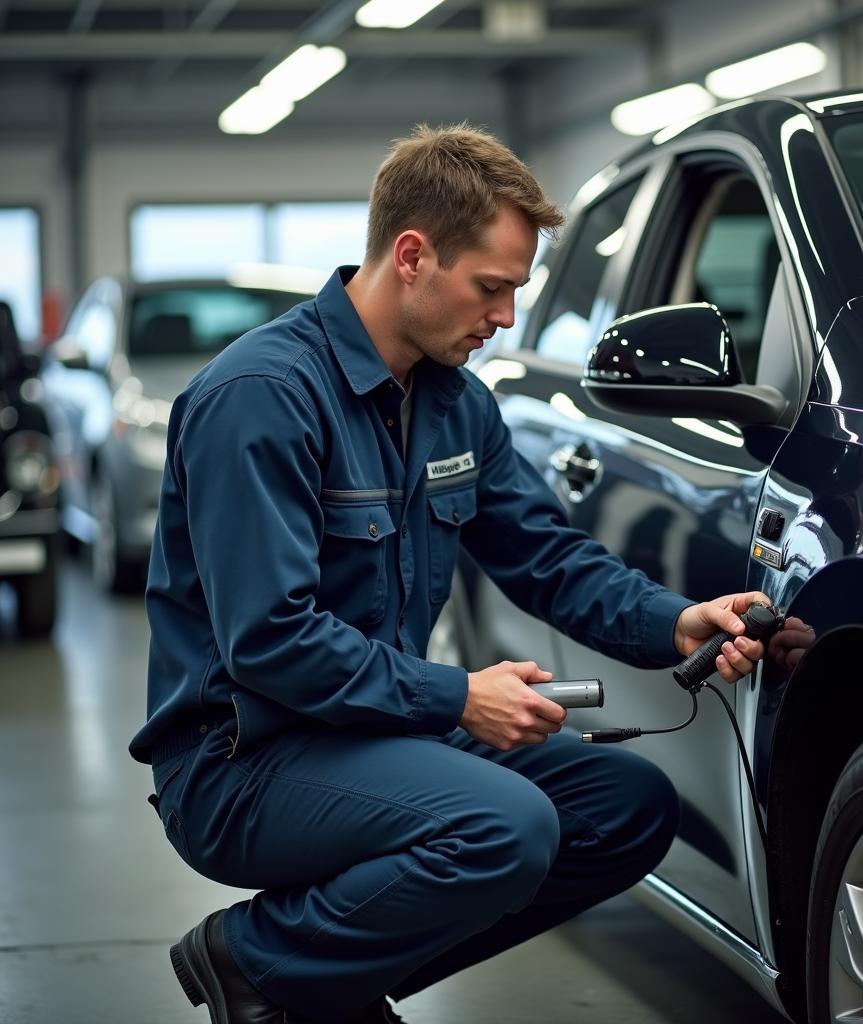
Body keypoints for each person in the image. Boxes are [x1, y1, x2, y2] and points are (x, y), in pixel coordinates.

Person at [130, 123, 769, 1024]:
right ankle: (259, 964)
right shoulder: (260, 400)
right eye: (492, 288)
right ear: (412, 255)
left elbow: (547, 555)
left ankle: (323, 979)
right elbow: (271, 639)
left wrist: (675, 621)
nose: (505, 318)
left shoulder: (455, 403)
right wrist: (458, 697)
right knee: (504, 828)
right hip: (245, 762)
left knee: (626, 807)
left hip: (374, 732)